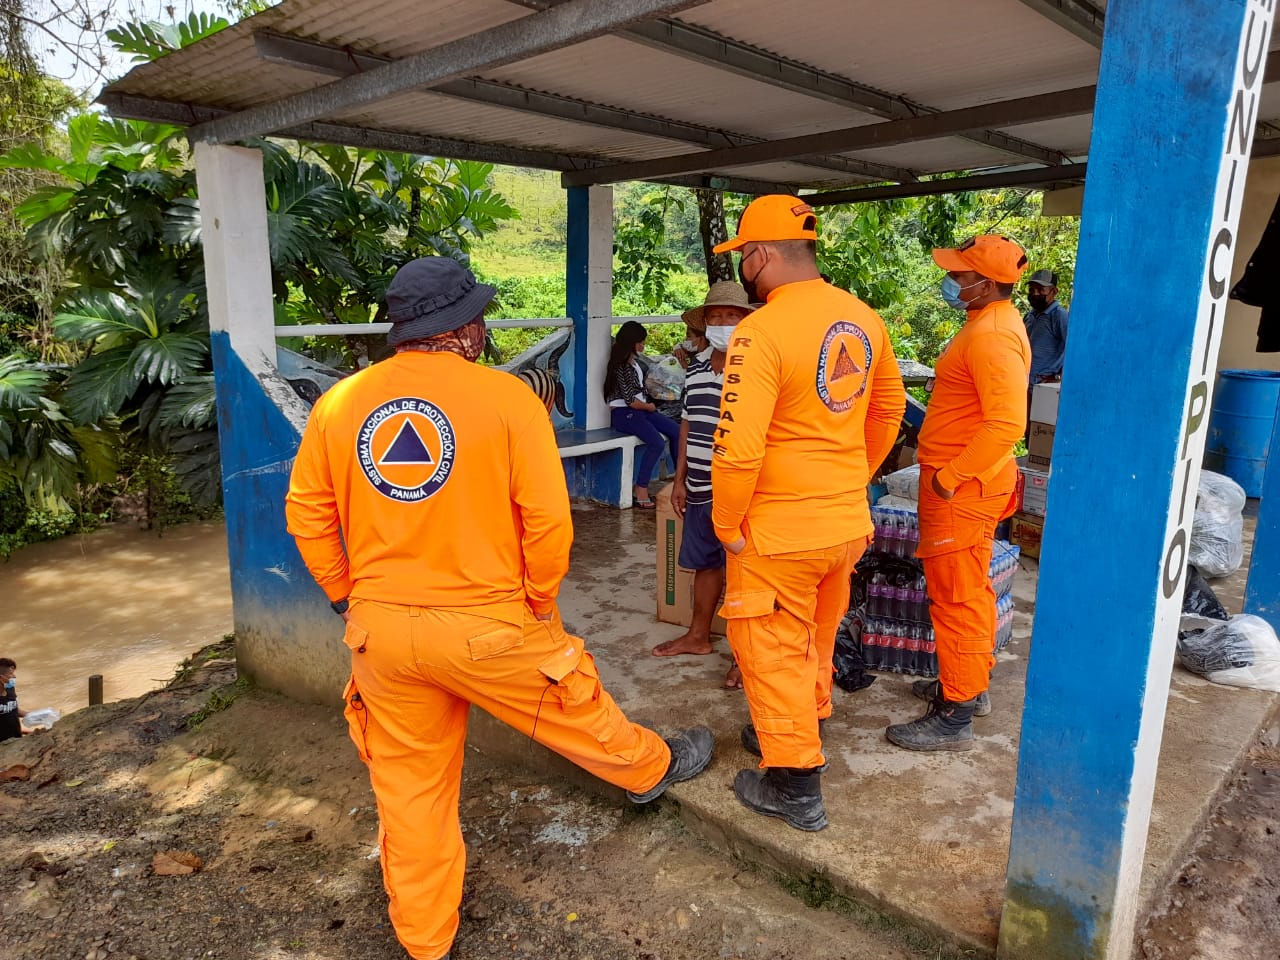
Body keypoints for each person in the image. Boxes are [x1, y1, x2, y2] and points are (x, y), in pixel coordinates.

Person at [285, 257, 714, 960]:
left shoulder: (339, 404)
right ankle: (648, 772)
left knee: (410, 791)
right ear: (465, 328)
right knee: (575, 704)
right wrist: (538, 605)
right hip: (490, 619)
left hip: (381, 632)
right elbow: (548, 525)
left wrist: (343, 594)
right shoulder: (508, 399)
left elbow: (306, 513)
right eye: (480, 315)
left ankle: (426, 941)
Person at [709, 196, 906, 831]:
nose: (744, 268)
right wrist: (852, 477)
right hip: (845, 522)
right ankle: (804, 717)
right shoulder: (862, 317)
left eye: (743, 257)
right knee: (816, 637)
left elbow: (736, 446)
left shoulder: (760, 330)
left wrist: (727, 526)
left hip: (780, 531)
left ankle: (793, 784)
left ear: (761, 255)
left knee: (766, 647)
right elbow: (888, 411)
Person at [887, 235, 1031, 752]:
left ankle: (957, 712)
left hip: (961, 489)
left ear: (986, 283)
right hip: (963, 484)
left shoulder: (992, 336)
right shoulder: (985, 325)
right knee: (968, 590)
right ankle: (967, 684)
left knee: (957, 599)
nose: (952, 281)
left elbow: (1006, 423)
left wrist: (950, 477)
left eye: (961, 275)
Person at [650, 281, 754, 690]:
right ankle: (698, 636)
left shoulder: (755, 367)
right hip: (697, 483)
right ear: (706, 323)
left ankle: (744, 656)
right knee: (706, 563)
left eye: (732, 316)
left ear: (745, 321)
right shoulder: (695, 369)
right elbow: (688, 424)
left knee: (745, 572)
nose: (723, 322)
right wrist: (679, 479)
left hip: (738, 487)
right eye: (716, 316)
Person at [603, 320, 682, 508]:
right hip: (625, 413)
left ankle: (679, 479)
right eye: (640, 342)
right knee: (656, 442)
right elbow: (630, 400)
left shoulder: (635, 364)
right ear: (631, 342)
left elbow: (640, 391)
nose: (643, 346)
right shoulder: (620, 367)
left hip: (641, 411)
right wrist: (650, 407)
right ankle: (641, 488)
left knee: (678, 432)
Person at [1023, 268, 1069, 385]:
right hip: (1024, 384)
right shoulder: (1030, 316)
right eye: (1031, 290)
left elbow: (1072, 349)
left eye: (1040, 290)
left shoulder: (1059, 316)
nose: (1035, 294)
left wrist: (1059, 377)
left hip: (1043, 387)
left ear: (1053, 291)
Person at [0, 658, 29, 742]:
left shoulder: (10, 688)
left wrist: (34, 715)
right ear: (1, 678)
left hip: (16, 739)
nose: (14, 676)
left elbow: (13, 709)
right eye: (11, 673)